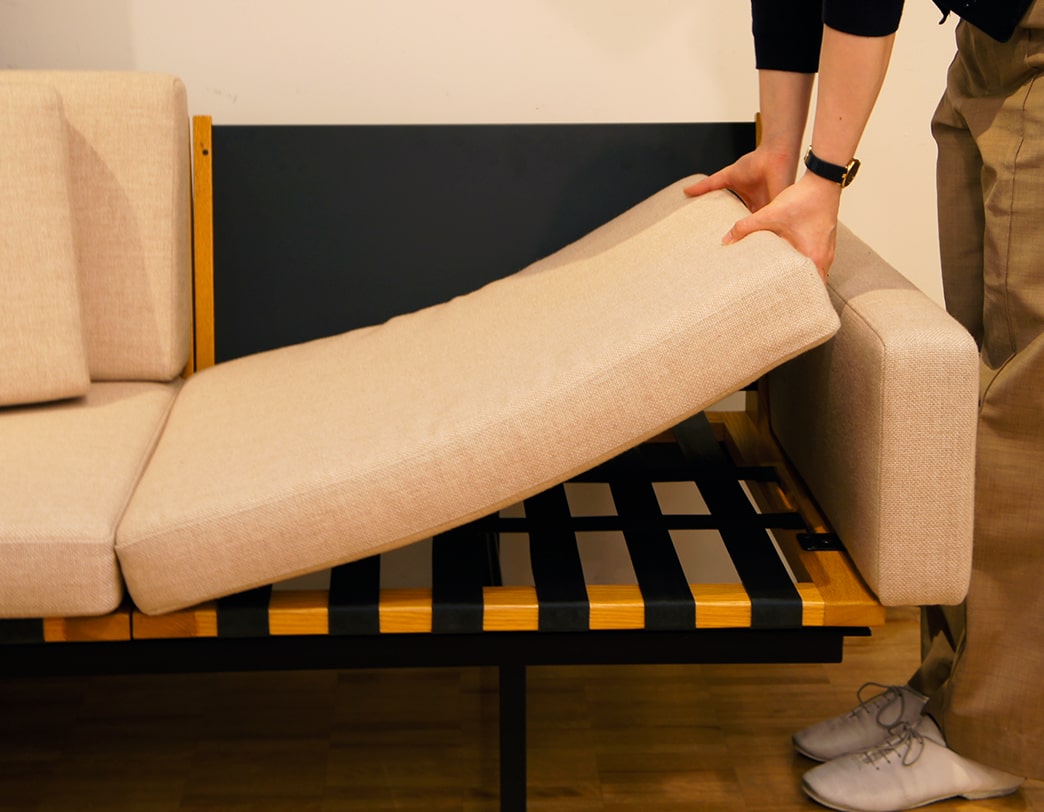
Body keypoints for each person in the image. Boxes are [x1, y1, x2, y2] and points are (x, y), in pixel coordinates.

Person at [687, 2, 1044, 811]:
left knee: (1021, 422)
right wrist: (780, 153)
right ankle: (955, 685)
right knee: (976, 396)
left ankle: (994, 736)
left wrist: (823, 178)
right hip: (992, 48)